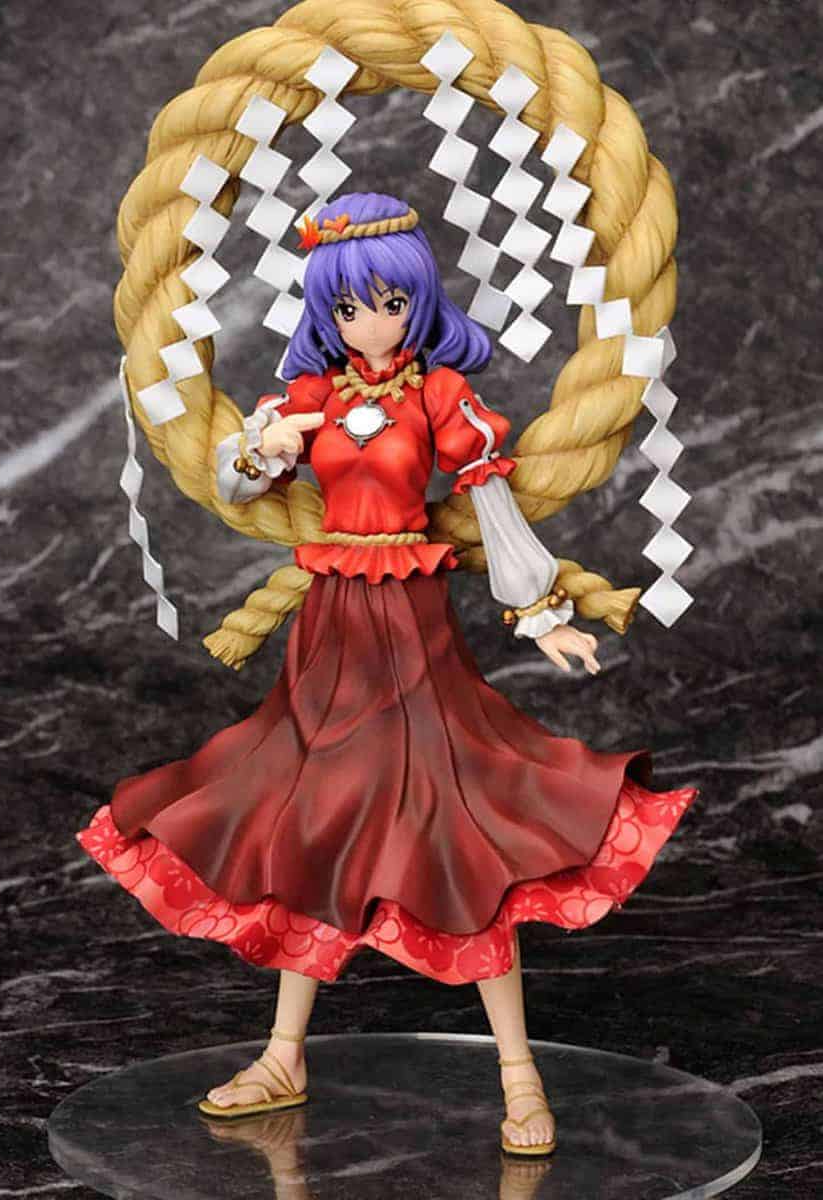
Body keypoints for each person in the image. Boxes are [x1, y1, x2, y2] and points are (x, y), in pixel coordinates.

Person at [76, 192, 698, 1156]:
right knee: (310, 818)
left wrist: (542, 614)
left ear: (419, 301)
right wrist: (260, 450)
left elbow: (490, 504)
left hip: (410, 627)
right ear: (325, 313)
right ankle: (282, 1057)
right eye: (349, 307)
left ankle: (518, 1073)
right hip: (330, 634)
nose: (371, 322)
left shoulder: (438, 395)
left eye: (391, 303)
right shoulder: (312, 396)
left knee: (456, 825)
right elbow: (237, 482)